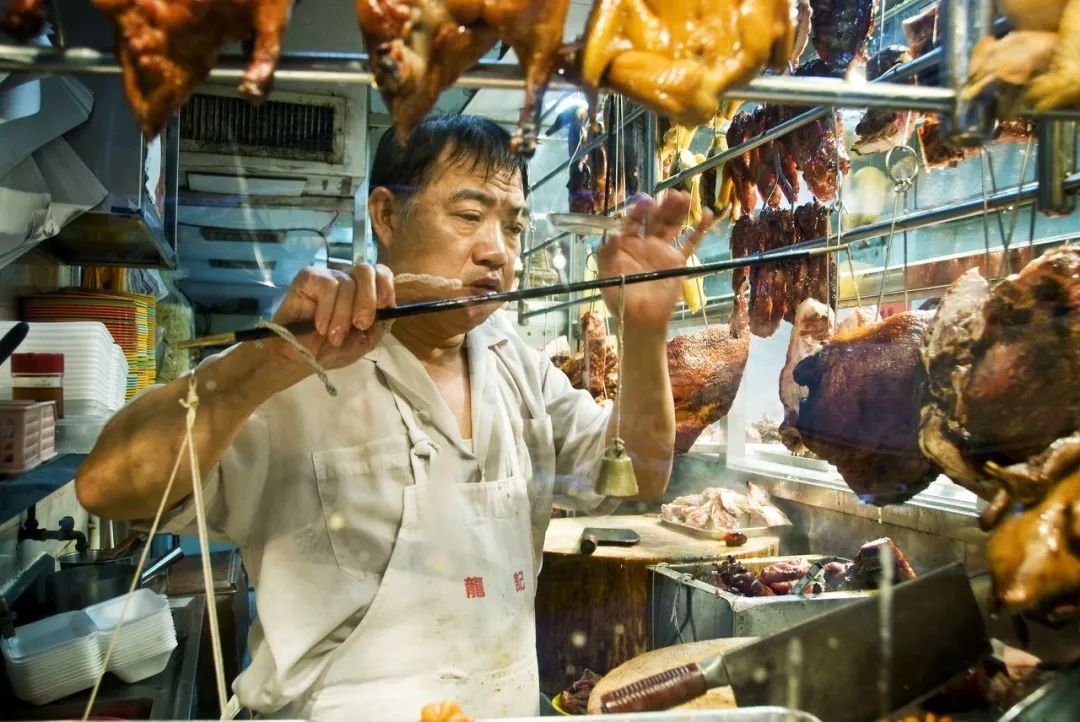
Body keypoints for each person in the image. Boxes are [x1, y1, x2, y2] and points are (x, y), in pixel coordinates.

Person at [76, 115, 712, 721]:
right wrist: (257, 365)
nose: (498, 253)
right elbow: (105, 487)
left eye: (513, 228)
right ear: (385, 214)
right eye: (469, 216)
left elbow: (642, 474)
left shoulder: (515, 365)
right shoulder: (294, 364)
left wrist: (645, 332)